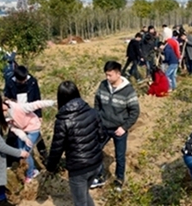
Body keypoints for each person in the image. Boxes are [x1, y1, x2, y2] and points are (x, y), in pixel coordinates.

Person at [46, 81, 106, 206]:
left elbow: (57, 148)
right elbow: (101, 136)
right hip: (96, 164)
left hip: (79, 169)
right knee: (84, 194)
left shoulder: (63, 121)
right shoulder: (92, 111)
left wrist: (50, 167)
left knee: (80, 202)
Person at [93, 61, 140, 191]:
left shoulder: (128, 91)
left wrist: (124, 127)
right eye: (106, 75)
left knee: (120, 156)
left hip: (119, 129)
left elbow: (135, 112)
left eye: (110, 75)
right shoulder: (103, 85)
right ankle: (100, 176)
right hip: (103, 126)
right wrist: (98, 119)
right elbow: (97, 103)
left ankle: (119, 179)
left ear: (118, 74)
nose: (107, 78)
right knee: (95, 150)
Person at [3, 98, 55, 183]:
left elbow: (36, 104)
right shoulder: (6, 118)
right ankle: (33, 169)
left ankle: (31, 174)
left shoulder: (20, 108)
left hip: (33, 128)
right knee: (20, 151)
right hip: (23, 131)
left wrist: (51, 102)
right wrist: (25, 138)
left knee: (26, 152)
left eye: (3, 108)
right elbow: (16, 130)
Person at [4, 66, 48, 165]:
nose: (23, 82)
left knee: (37, 136)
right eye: (21, 81)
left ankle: (45, 158)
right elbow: (7, 98)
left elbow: (37, 98)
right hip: (16, 114)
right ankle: (9, 162)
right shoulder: (10, 83)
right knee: (12, 137)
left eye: (24, 80)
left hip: (29, 113)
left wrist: (39, 115)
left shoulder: (32, 82)